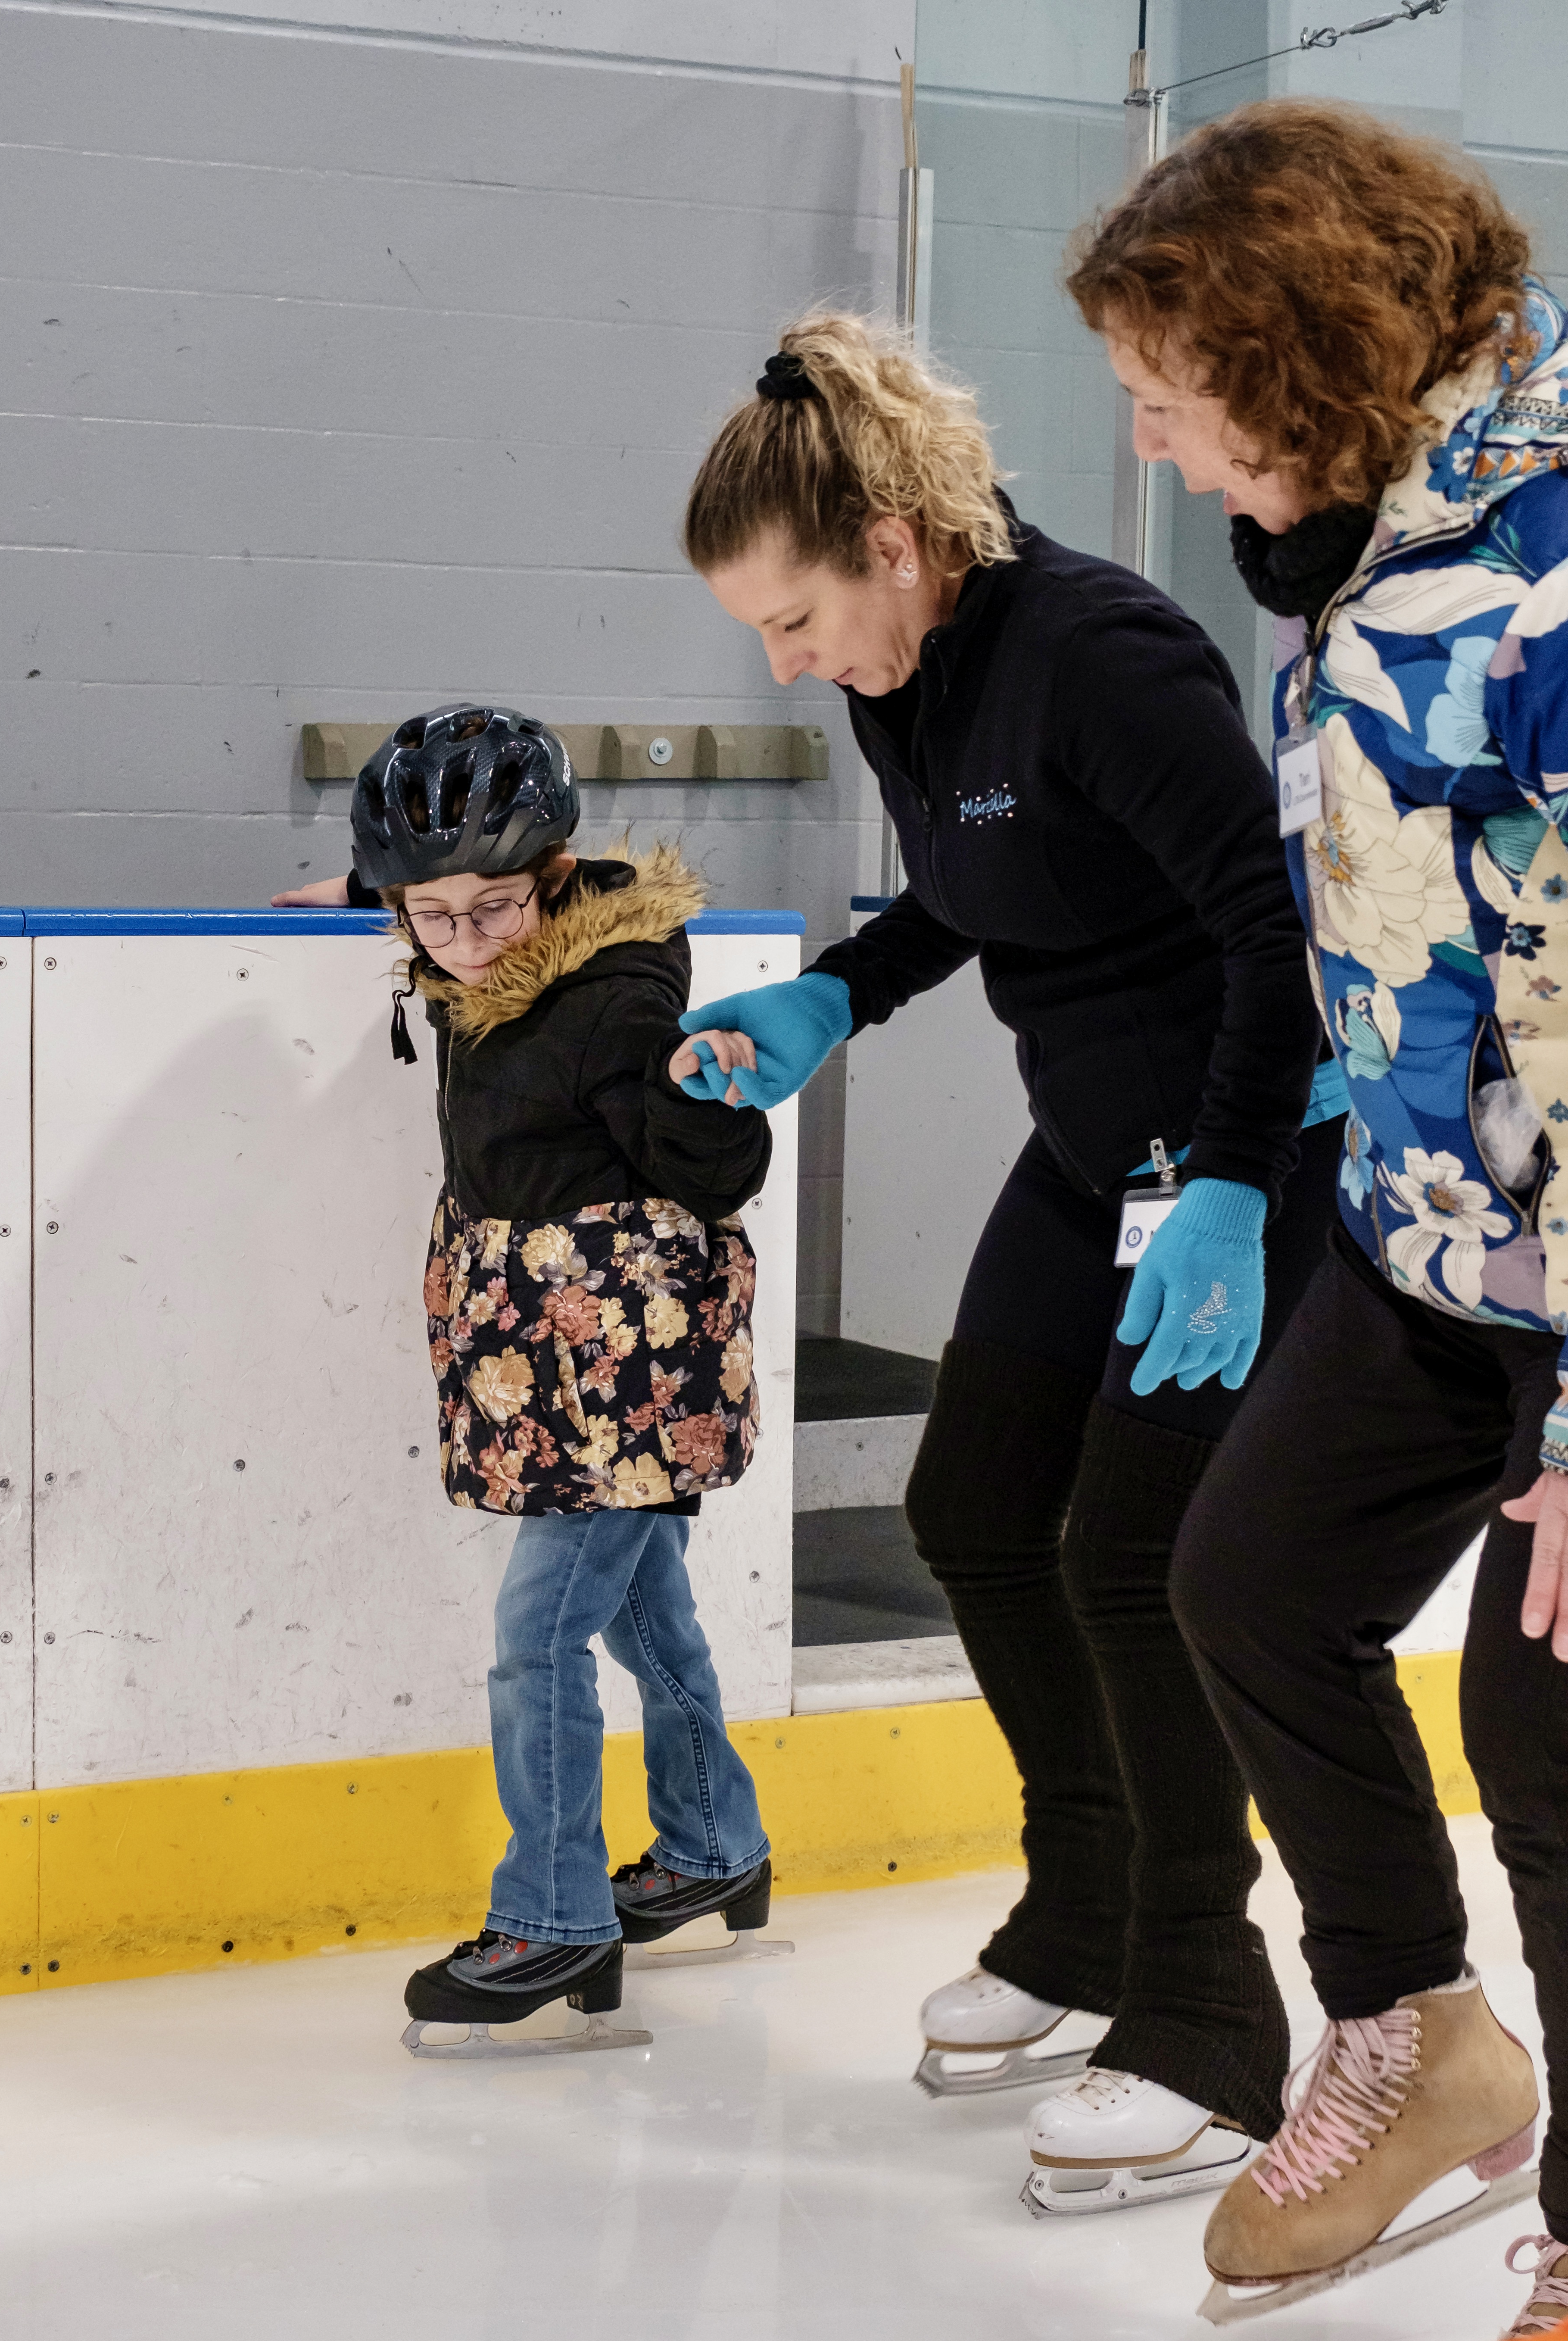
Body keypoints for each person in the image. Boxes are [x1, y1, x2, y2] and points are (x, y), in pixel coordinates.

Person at [675, 313, 1346, 2201]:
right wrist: (837, 988)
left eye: (793, 618)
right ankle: (1084, 1909)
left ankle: (1208, 2020)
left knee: (1133, 1560)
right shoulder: (909, 672)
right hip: (1093, 1154)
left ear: (892, 539)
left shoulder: (1101, 655)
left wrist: (1228, 1176)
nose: (789, 661)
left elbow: (1276, 941)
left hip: (1246, 1157)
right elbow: (972, 892)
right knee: (975, 1507)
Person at [1071, 99, 1568, 2328]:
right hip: (1437, 1232)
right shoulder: (1376, 548)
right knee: (1252, 1579)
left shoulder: (1547, 561)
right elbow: (1399, 930)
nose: (1162, 453)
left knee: (1547, 1725)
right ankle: (1419, 2037)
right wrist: (1270, 1181)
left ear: (1295, 353)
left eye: (1170, 401)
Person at [282, 704, 777, 2053]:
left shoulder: (615, 1000)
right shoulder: (474, 952)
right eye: (428, 917)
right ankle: (713, 1843)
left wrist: (701, 1096)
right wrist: (358, 892)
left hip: (624, 1360)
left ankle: (556, 1916)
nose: (464, 942)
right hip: (545, 1350)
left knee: (537, 1637)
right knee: (642, 1611)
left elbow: (720, 1178)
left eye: (493, 908)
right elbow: (442, 908)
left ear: (555, 879)